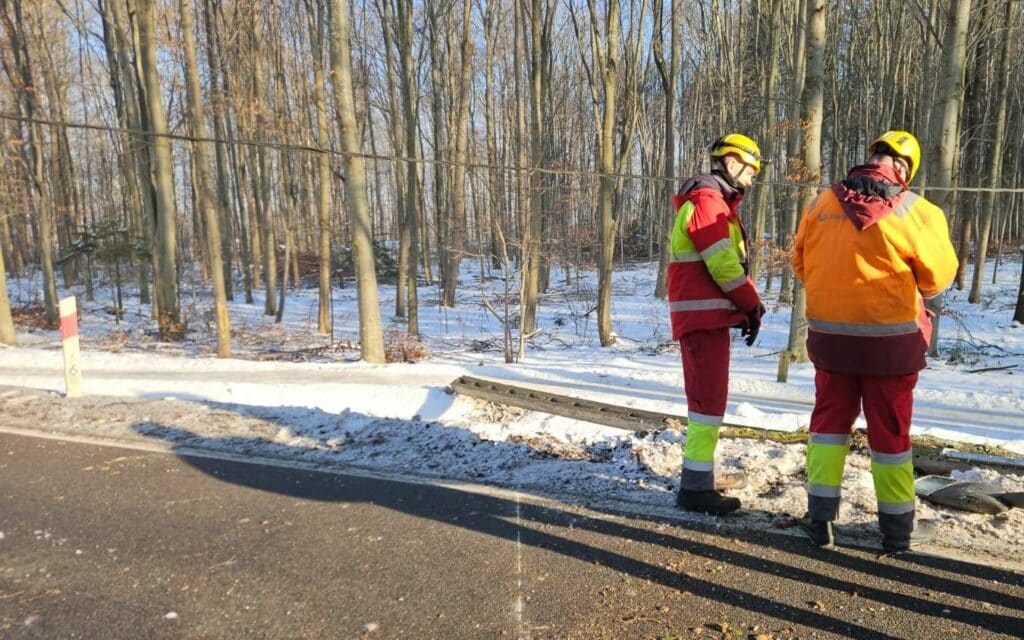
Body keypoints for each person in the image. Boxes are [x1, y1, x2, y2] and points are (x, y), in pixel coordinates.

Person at [792, 130, 958, 552]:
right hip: (891, 346)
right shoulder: (918, 211)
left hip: (831, 342)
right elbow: (938, 279)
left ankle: (819, 522)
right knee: (891, 436)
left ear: (873, 157)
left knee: (828, 428)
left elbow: (800, 264)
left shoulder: (820, 203)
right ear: (905, 169)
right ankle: (897, 530)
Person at [668, 133, 766, 515]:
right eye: (752, 169)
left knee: (707, 401)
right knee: (707, 403)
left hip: (706, 318)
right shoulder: (708, 203)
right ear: (732, 162)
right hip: (703, 320)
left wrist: (742, 309)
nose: (754, 177)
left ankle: (699, 479)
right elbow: (723, 265)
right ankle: (695, 489)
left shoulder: (711, 202)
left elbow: (724, 266)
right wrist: (750, 304)